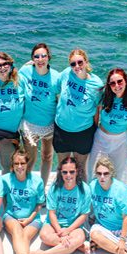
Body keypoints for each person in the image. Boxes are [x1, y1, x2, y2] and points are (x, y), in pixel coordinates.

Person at [53, 49, 104, 180]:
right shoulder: (66, 74)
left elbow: (98, 109)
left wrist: (95, 130)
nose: (77, 66)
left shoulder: (96, 84)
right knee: (62, 169)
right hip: (61, 130)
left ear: (86, 62)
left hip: (83, 132)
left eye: (80, 62)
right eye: (73, 64)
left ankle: (83, 199)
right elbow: (54, 88)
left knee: (80, 170)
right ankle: (62, 197)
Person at [30, 157, 91, 254]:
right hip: (53, 224)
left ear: (77, 172)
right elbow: (52, 213)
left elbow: (83, 216)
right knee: (44, 236)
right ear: (61, 173)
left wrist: (68, 230)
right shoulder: (54, 188)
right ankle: (78, 246)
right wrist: (60, 232)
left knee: (79, 238)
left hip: (73, 226)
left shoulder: (85, 189)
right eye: (65, 172)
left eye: (72, 172)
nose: (68, 175)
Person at [19, 43, 60, 187]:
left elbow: (61, 101)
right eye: (37, 56)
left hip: (49, 123)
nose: (40, 59)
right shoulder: (26, 71)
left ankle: (41, 187)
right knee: (29, 158)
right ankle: (27, 187)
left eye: (43, 56)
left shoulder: (56, 77)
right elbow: (8, 76)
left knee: (47, 156)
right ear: (32, 58)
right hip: (30, 123)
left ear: (49, 57)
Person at [88, 68, 127, 185]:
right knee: (94, 172)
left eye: (120, 81)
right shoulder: (104, 95)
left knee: (120, 174)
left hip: (120, 141)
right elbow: (96, 113)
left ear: (126, 81)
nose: (117, 86)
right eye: (113, 83)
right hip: (101, 139)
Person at [90, 158, 127, 254]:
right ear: (96, 173)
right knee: (94, 234)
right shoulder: (92, 186)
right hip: (105, 227)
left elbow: (126, 217)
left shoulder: (120, 189)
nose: (102, 177)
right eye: (99, 174)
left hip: (125, 227)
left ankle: (104, 245)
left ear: (111, 173)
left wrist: (122, 240)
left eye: (106, 174)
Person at [2, 149, 45, 254]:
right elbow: (0, 197)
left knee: (25, 236)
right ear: (12, 164)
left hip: (33, 218)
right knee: (17, 231)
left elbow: (39, 203)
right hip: (11, 216)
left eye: (22, 163)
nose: (19, 166)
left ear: (27, 164)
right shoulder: (5, 179)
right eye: (16, 163)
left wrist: (29, 219)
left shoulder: (37, 181)